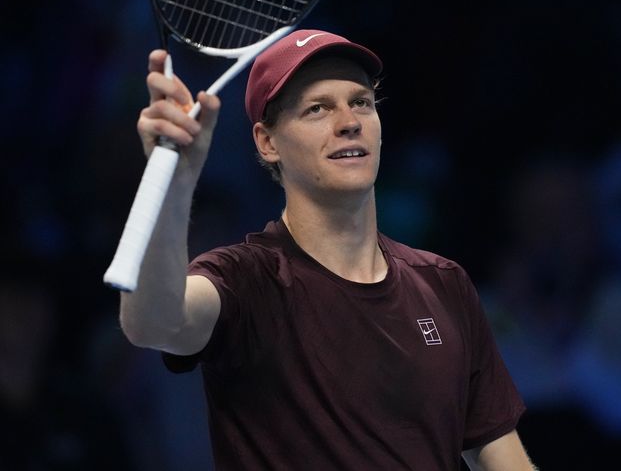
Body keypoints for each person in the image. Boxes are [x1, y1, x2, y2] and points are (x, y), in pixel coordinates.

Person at [116, 29, 536, 471]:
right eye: (317, 108)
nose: (350, 121)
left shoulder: (444, 282)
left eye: (361, 103)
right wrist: (176, 181)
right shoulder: (246, 281)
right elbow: (152, 323)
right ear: (268, 142)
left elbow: (503, 459)